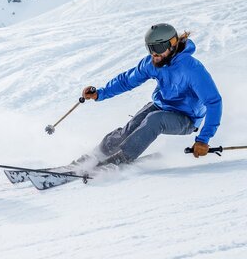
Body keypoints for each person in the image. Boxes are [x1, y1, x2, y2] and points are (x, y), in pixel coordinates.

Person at [76, 23, 222, 168]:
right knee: (129, 128)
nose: (154, 54)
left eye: (158, 48)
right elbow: (127, 80)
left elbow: (213, 102)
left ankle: (121, 157)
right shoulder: (153, 62)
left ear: (172, 45)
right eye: (150, 48)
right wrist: (100, 93)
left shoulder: (191, 69)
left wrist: (203, 139)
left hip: (187, 118)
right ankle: (98, 154)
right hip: (161, 105)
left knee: (154, 120)